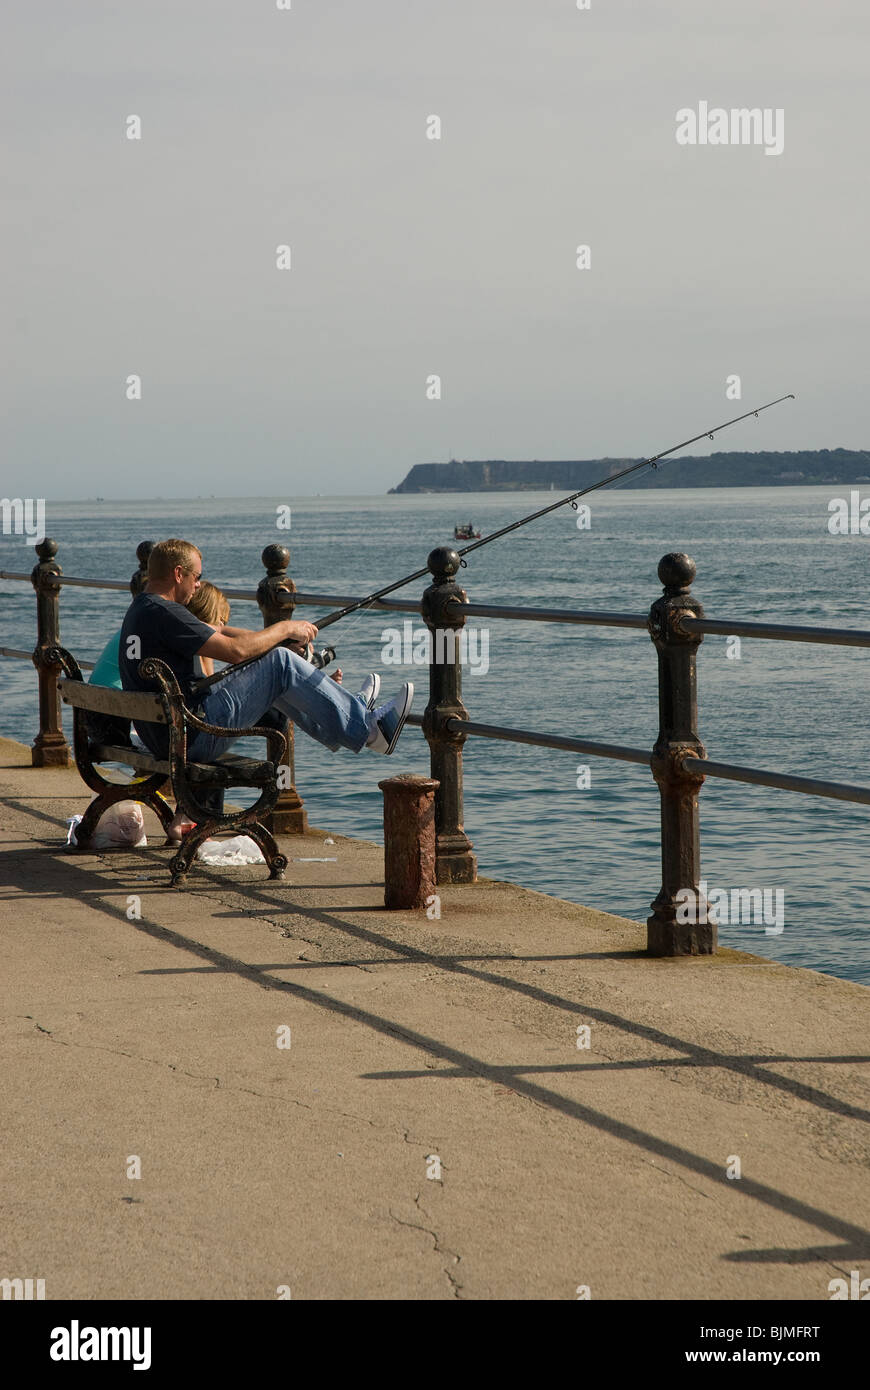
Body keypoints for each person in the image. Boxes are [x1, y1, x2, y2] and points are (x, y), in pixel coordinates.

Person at [118, 538, 413, 770]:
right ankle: (368, 729)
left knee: (270, 668)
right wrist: (285, 627)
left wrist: (277, 642)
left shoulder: (143, 609)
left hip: (165, 736)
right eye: (196, 576)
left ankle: (353, 717)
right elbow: (236, 651)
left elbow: (222, 635)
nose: (198, 584)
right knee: (281, 664)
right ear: (178, 574)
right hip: (192, 736)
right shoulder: (166, 612)